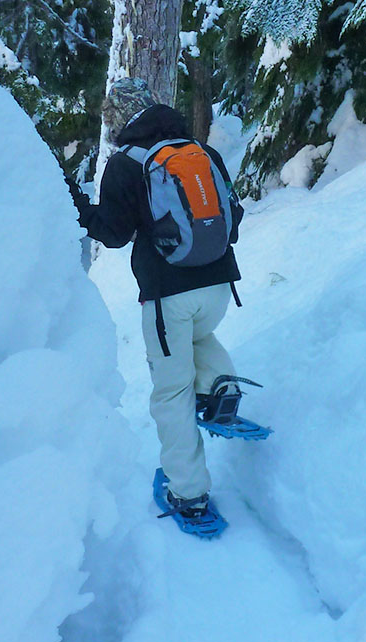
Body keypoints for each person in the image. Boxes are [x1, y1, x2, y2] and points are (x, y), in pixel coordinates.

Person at [66, 77, 244, 533]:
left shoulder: (127, 164)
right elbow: (233, 216)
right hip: (220, 286)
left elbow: (114, 234)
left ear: (120, 117)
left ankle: (188, 496)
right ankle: (221, 383)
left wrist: (80, 208)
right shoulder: (201, 153)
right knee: (199, 336)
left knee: (172, 394)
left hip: (168, 296)